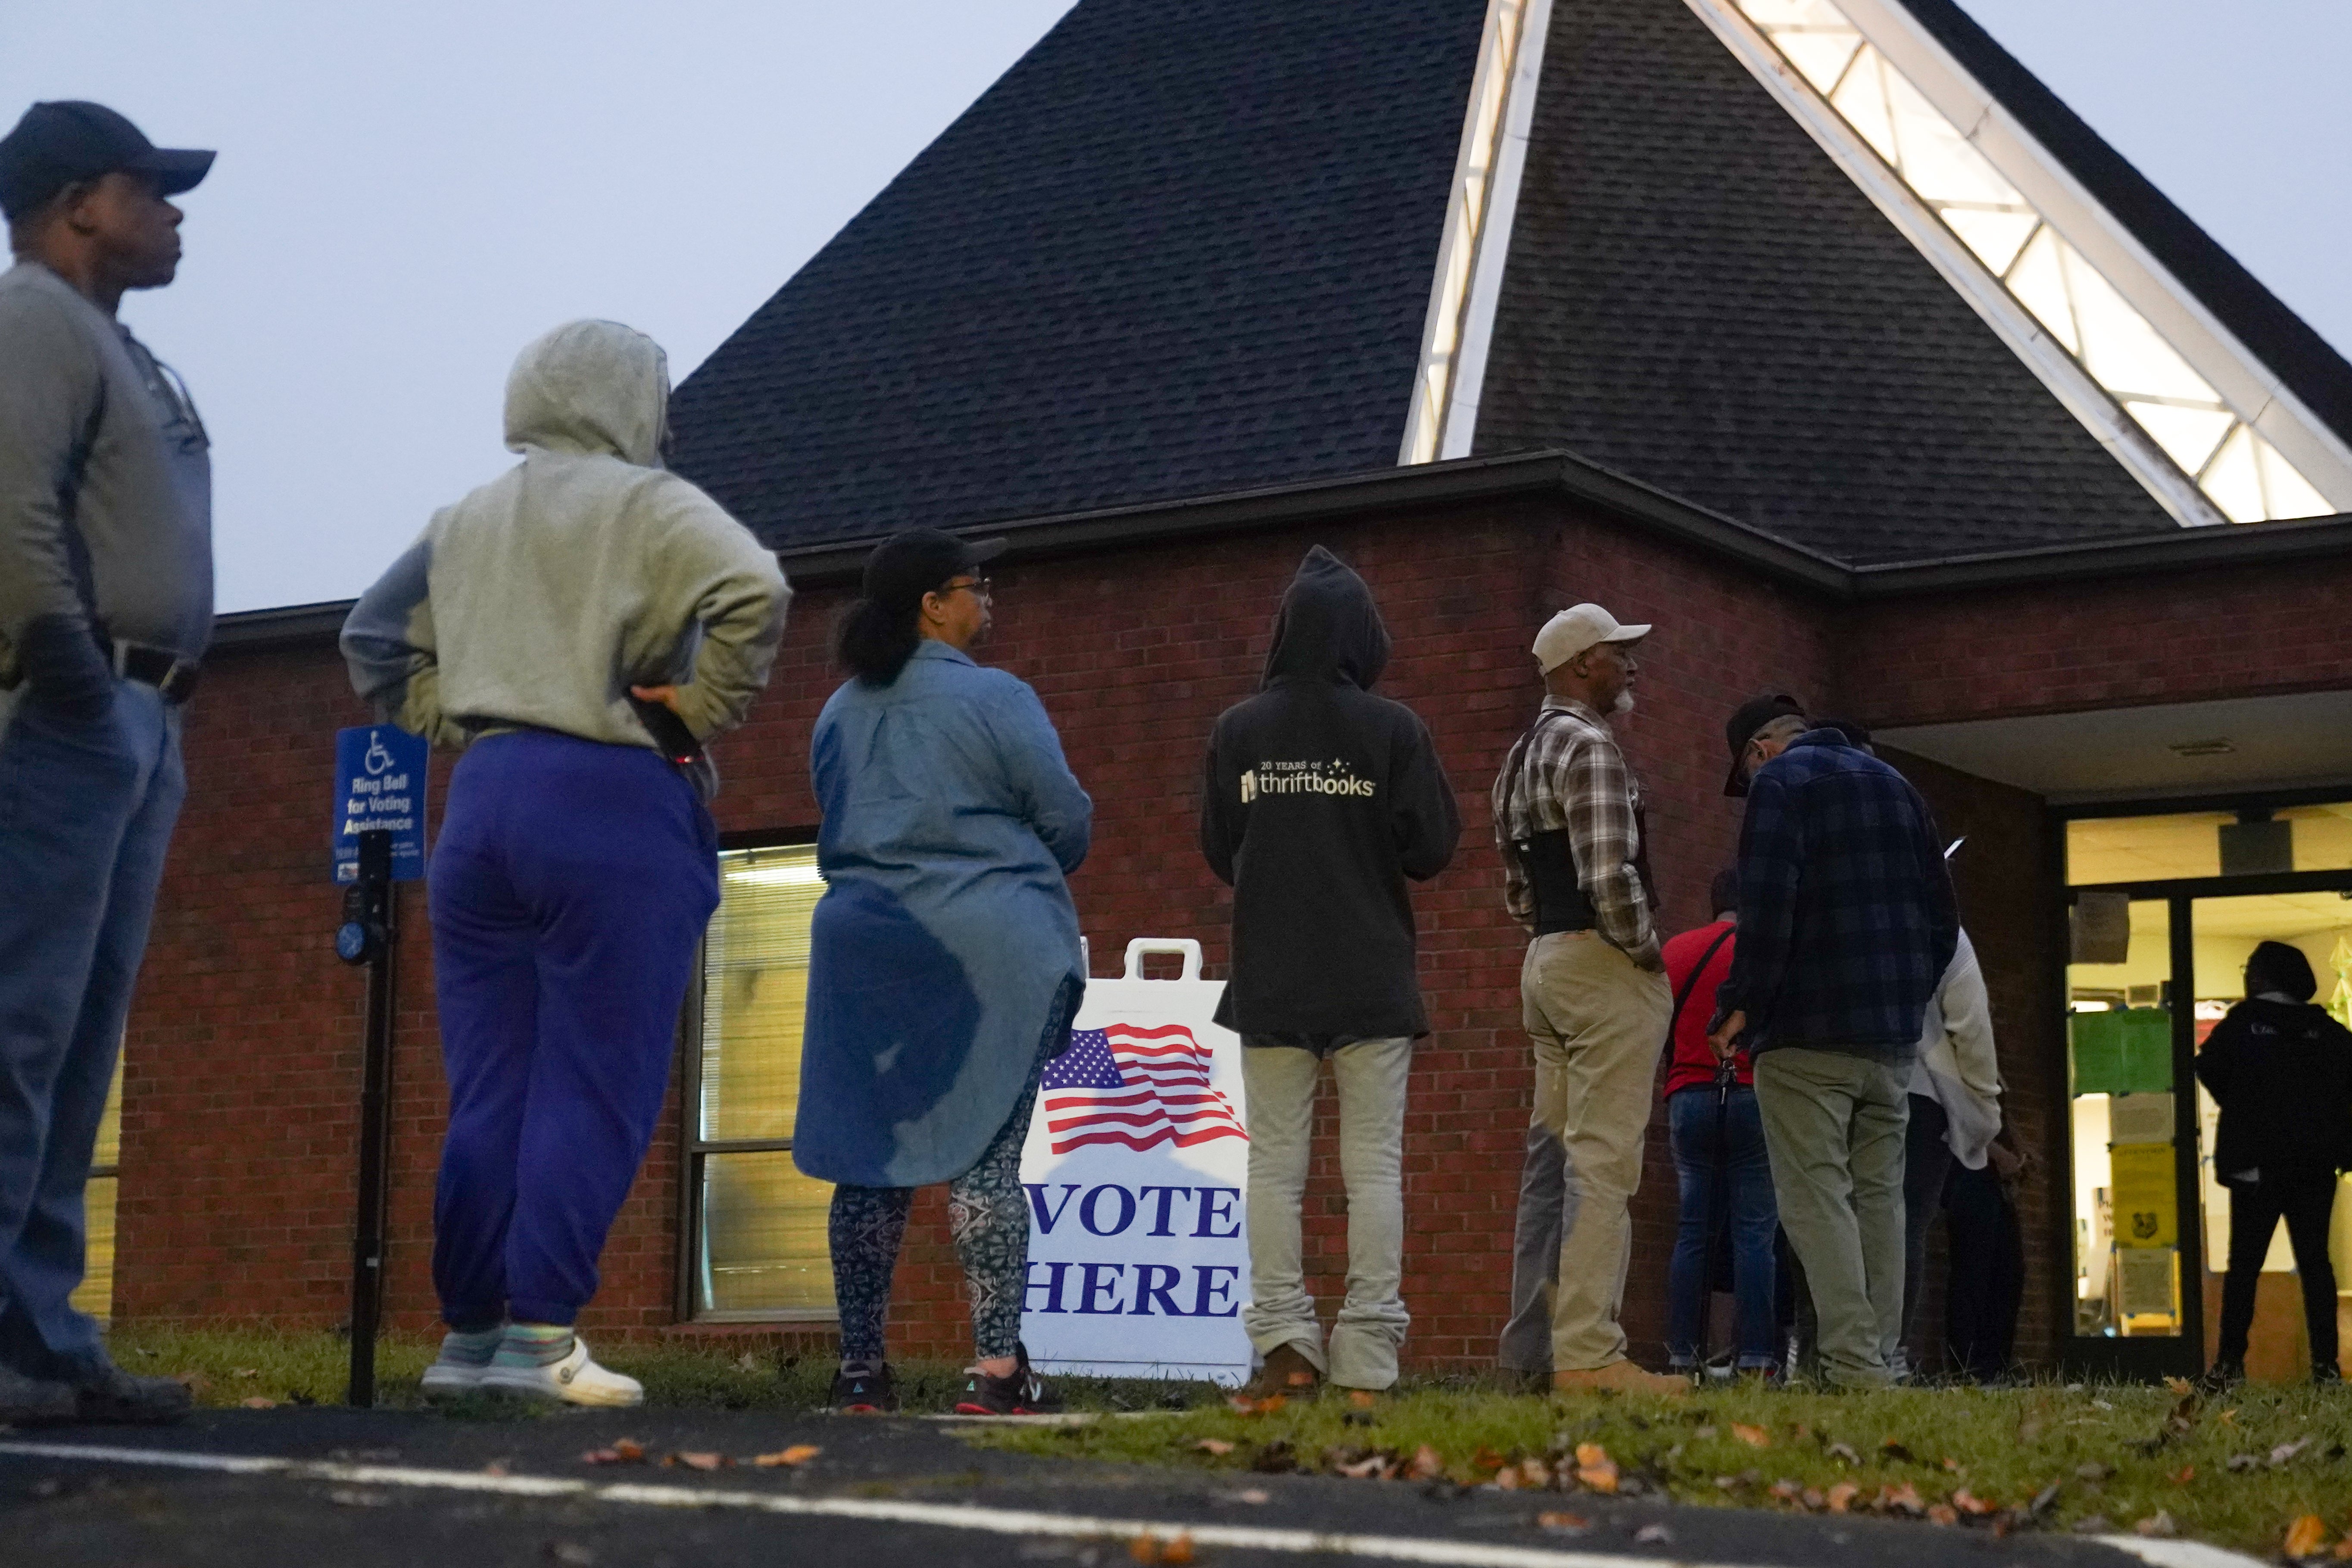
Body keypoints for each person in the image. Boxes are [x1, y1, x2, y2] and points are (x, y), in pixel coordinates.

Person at [343, 319, 789, 1406]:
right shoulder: (648, 501)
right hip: (609, 799)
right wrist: (695, 710)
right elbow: (757, 587)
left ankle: (471, 1339)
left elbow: (370, 636)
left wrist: (453, 723)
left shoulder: (467, 517)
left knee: (494, 1081)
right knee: (596, 1076)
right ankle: (543, 1338)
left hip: (483, 803)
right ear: (628, 399)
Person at [0, 101, 219, 1427]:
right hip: (72, 713)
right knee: (17, 1025)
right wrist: (77, 685)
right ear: (81, 203)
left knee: (76, 1041)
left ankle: (38, 1327)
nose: (177, 213)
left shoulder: (117, 343)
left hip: (146, 722)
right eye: (155, 191)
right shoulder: (34, 315)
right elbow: (11, 506)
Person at [795, 528, 1091, 1417]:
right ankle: (997, 1370)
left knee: (866, 1165)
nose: (988, 599)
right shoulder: (997, 698)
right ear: (933, 603)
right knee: (988, 1168)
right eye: (976, 584)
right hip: (990, 956)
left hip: (866, 959)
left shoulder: (837, 711)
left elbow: (834, 813)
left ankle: (858, 1371)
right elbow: (1066, 819)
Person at [1201, 546, 1460, 1397]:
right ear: (1364, 636)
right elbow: (1432, 848)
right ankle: (1368, 1353)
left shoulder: (1238, 729)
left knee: (1273, 1164)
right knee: (1372, 1165)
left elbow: (1218, 850)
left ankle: (1283, 1343)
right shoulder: (1393, 729)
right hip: (1369, 977)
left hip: (1271, 973)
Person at [1707, 711, 1956, 1390]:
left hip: (1805, 1028)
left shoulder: (1781, 783)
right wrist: (1907, 1001)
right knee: (1881, 1198)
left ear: (1761, 750)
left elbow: (1766, 907)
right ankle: (1879, 1355)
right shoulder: (1900, 786)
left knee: (1817, 1197)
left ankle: (1850, 1363)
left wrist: (1740, 1003)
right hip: (1891, 1036)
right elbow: (1943, 918)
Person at [1492, 605, 1682, 1397]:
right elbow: (1610, 875)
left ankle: (1530, 1352)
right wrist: (1643, 951)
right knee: (1604, 1165)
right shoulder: (1591, 746)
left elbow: (1515, 888)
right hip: (1601, 966)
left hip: (1543, 961)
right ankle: (1589, 1354)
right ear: (1578, 666)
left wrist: (1555, 940)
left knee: (1549, 1167)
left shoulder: (1518, 754)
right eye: (1616, 654)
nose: (1630, 667)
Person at [2194, 940, 2352, 1390]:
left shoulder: (2243, 1024)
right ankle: (2325, 1367)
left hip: (2255, 1166)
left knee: (2243, 1266)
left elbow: (2210, 1068)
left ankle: (2229, 1365)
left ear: (2259, 977)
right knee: (2316, 1264)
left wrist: (2246, 1108)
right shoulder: (2325, 1030)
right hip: (2313, 1167)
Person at [1660, 870, 1777, 1378]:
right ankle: (1753, 1358)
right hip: (1753, 1094)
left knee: (1692, 1233)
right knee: (1755, 1234)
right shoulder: (1765, 955)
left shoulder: (1677, 951)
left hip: (1689, 1096)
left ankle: (1682, 1355)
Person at [1896, 927, 2001, 1378]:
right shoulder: (1940, 928)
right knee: (1906, 1227)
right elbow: (1971, 1023)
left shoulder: (1826, 900)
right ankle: (1890, 1354)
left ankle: (1817, 1346)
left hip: (1832, 1085)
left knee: (1830, 1213)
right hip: (1919, 1093)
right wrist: (1982, 1110)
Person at [1940, 1122, 2029, 1382]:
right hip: (1968, 1171)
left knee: (2009, 1270)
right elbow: (1961, 1117)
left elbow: (2003, 1114)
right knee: (1973, 1270)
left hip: (1993, 1177)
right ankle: (1967, 1369)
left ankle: (1995, 1367)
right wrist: (2001, 1155)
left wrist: (2019, 1152)